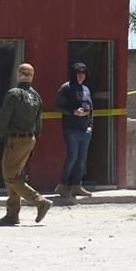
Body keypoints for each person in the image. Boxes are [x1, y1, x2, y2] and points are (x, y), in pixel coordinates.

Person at [0, 62, 52, 225]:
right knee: (15, 176)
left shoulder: (14, 94)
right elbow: (39, 124)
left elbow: (4, 117)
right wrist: (33, 144)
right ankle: (12, 214)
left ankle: (40, 202)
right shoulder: (37, 97)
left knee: (9, 176)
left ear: (18, 75)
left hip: (16, 140)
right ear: (31, 76)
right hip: (29, 140)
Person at [55, 62, 94, 199]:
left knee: (82, 159)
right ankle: (63, 185)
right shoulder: (66, 88)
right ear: (73, 74)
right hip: (71, 129)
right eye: (78, 73)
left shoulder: (86, 90)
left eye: (83, 74)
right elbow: (58, 107)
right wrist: (73, 112)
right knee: (72, 157)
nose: (81, 76)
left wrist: (90, 126)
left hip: (85, 130)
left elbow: (91, 109)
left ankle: (77, 185)